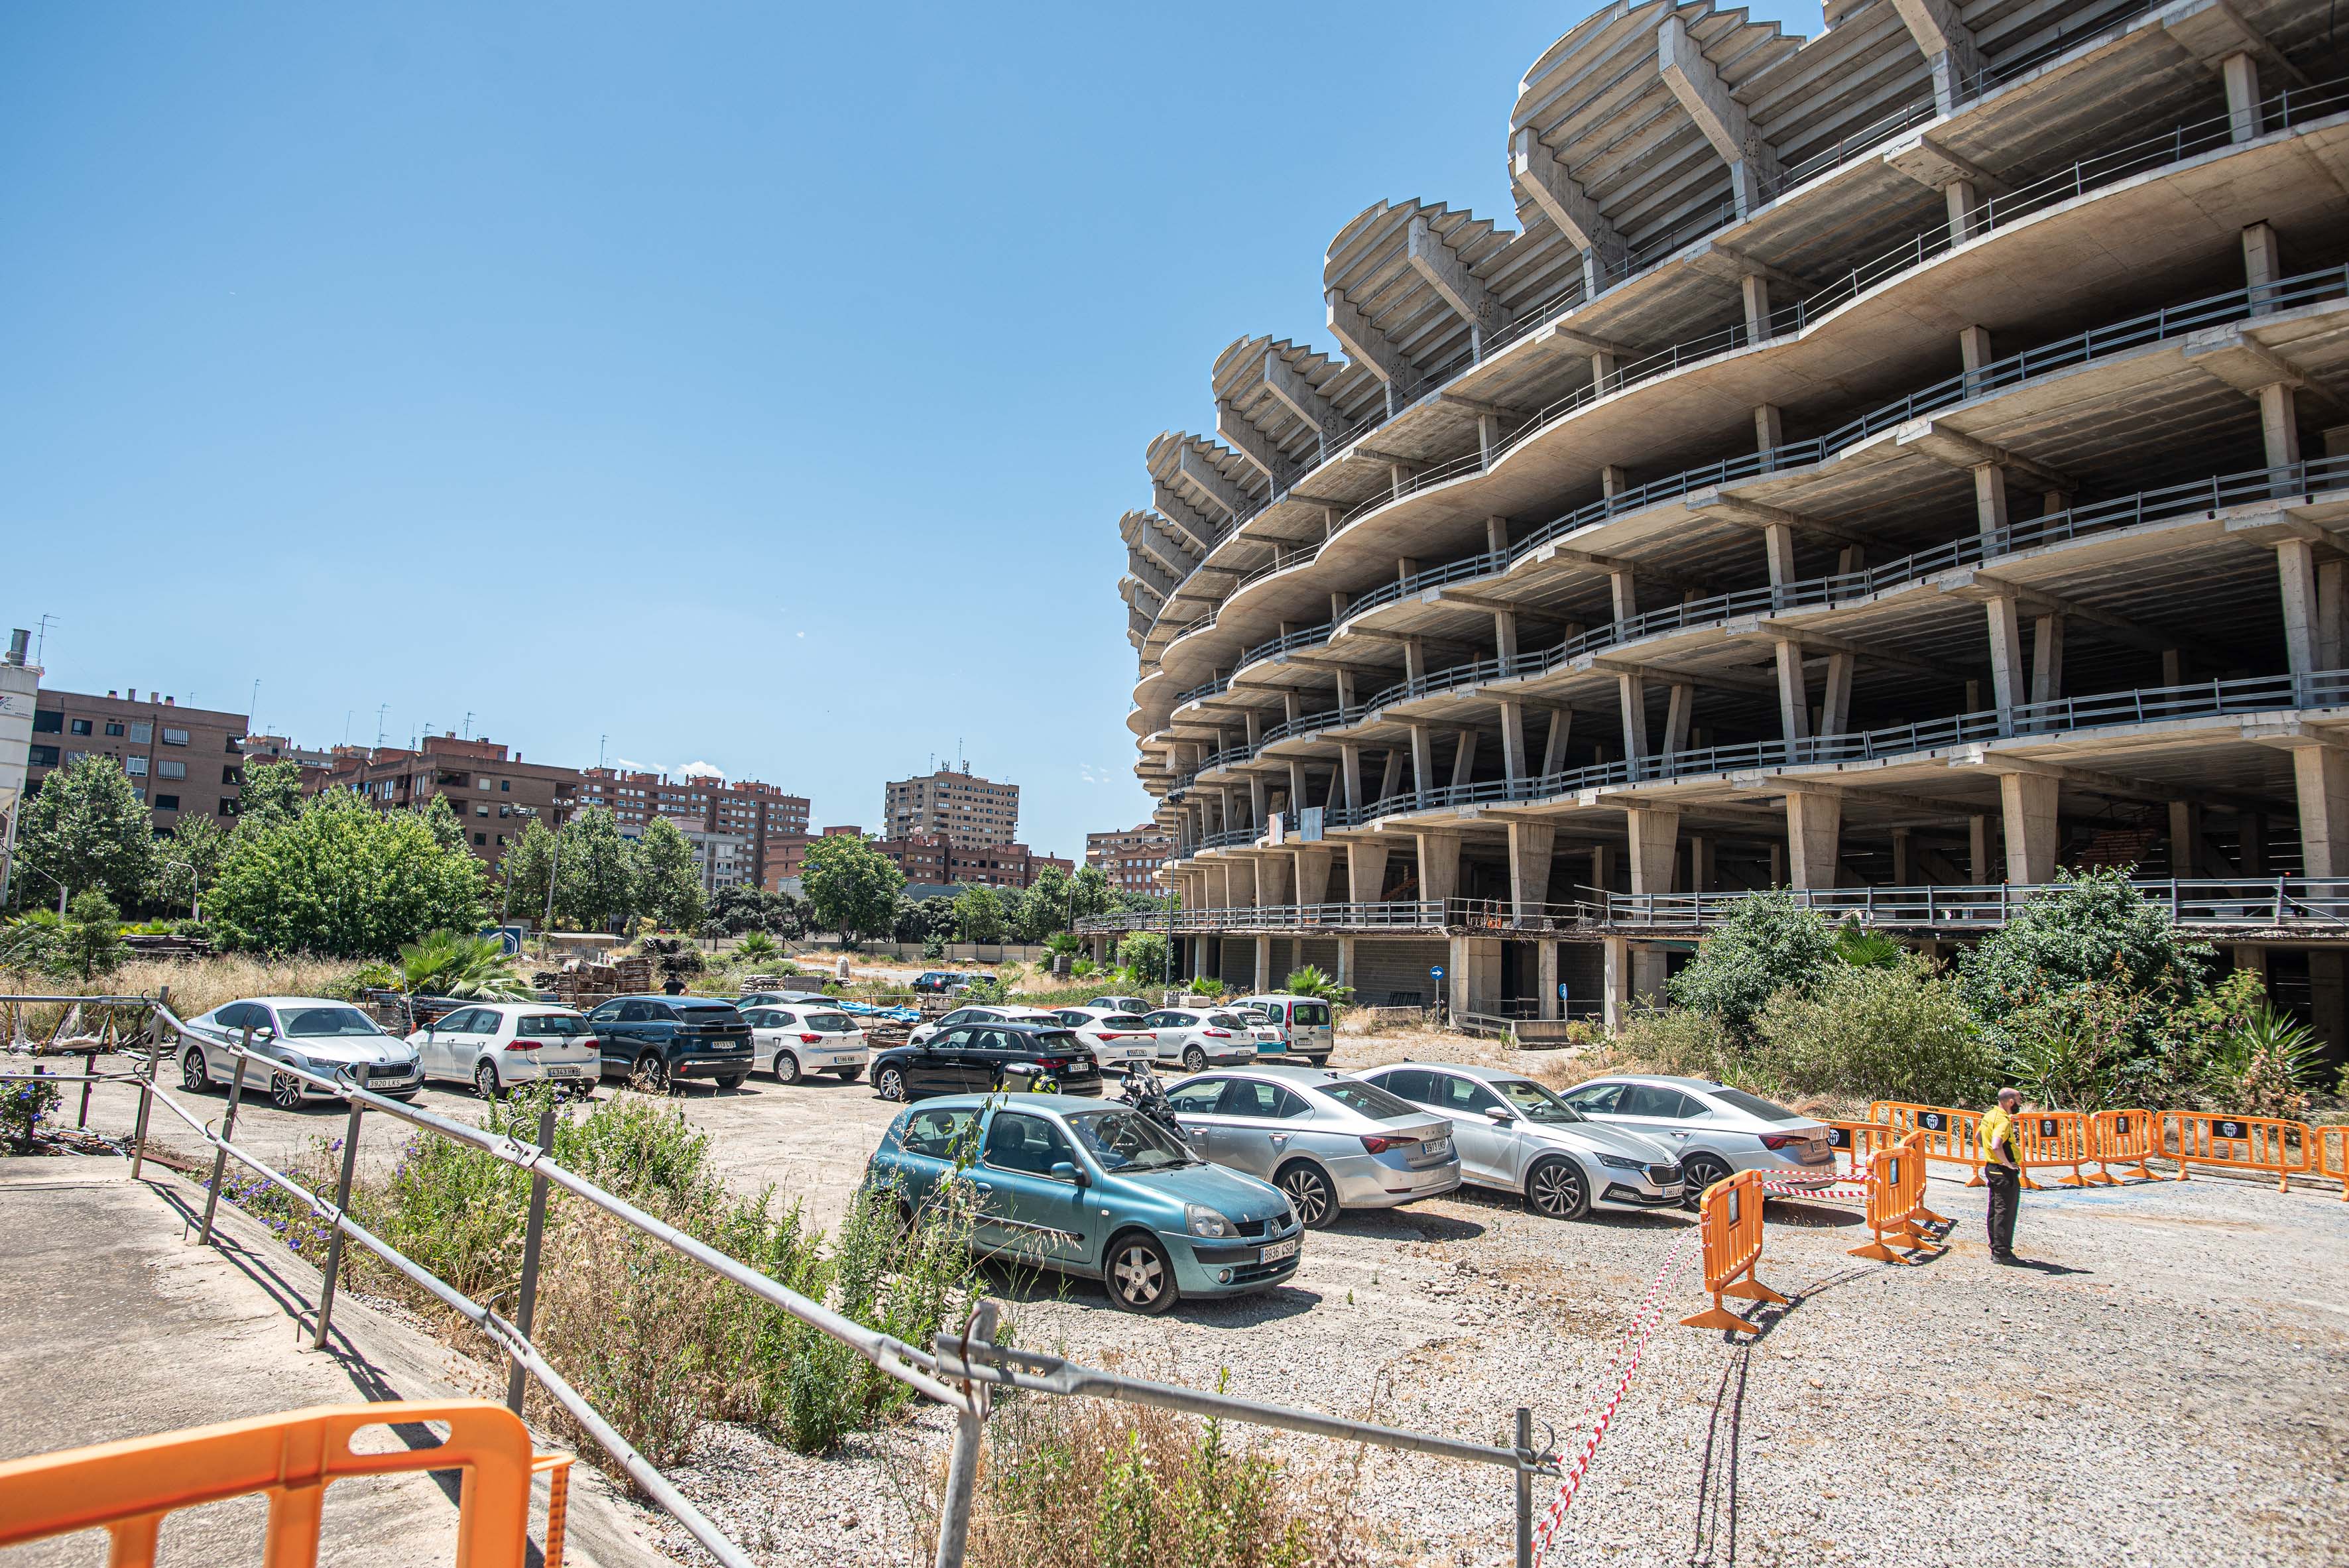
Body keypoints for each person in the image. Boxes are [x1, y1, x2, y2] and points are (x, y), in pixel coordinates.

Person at [1979, 1087, 2025, 1263]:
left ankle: (1996, 1247)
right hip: (2002, 1171)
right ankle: (2002, 1252)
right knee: (2005, 1211)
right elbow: (1996, 1144)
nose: (2020, 1104)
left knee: (1995, 1210)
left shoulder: (1990, 1115)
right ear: (2011, 1102)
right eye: (2019, 1100)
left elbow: (1978, 1137)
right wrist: (2008, 1164)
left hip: (1991, 1167)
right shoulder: (2003, 1120)